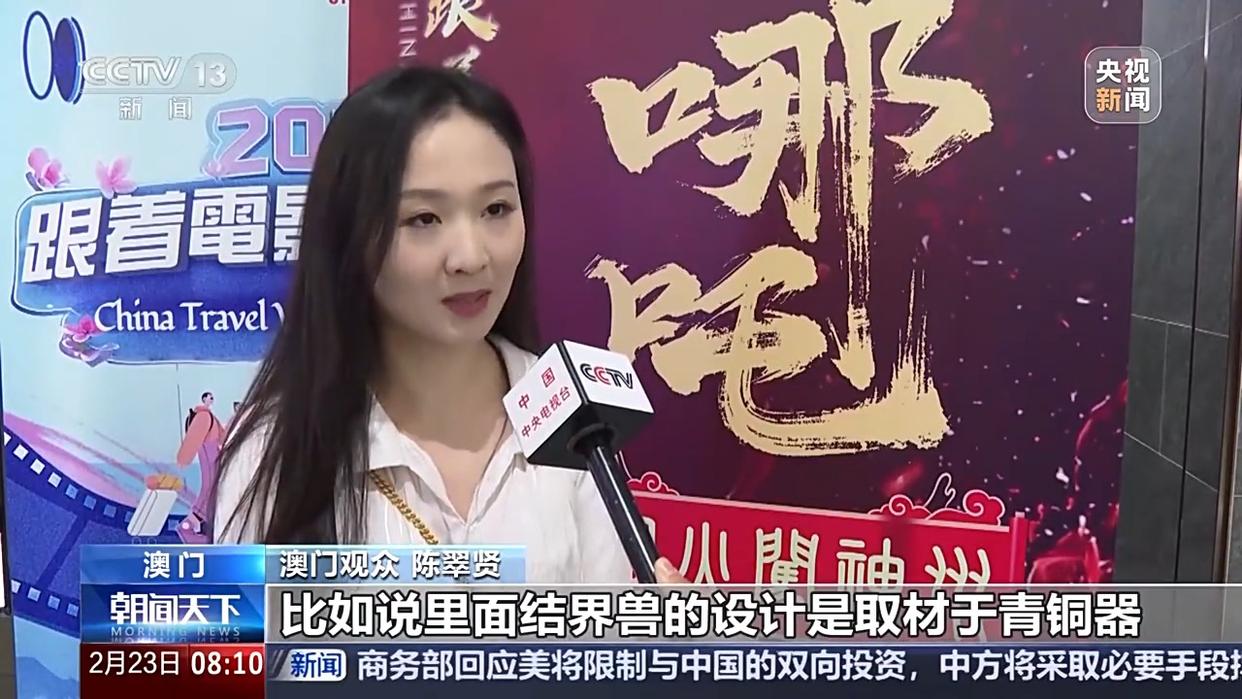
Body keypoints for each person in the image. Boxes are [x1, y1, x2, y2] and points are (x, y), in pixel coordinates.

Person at [212, 66, 686, 584]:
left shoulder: (568, 413)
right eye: (424, 219)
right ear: (350, 235)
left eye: (496, 208)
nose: (471, 256)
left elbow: (604, 625)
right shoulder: (279, 447)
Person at [176, 391, 224, 543]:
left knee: (213, 490)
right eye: (209, 397)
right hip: (210, 460)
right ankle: (188, 528)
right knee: (209, 489)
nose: (211, 400)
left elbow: (223, 435)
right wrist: (184, 458)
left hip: (216, 459)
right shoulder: (203, 416)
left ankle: (198, 528)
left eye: (212, 398)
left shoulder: (209, 416)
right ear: (203, 399)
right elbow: (192, 440)